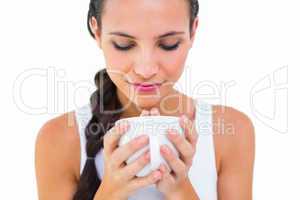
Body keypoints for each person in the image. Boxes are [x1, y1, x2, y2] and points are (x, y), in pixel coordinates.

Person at [35, 0, 255, 199]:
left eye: (168, 44)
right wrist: (110, 192)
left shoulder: (230, 131)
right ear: (97, 31)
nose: (146, 69)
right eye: (124, 44)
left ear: (193, 31)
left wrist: (181, 191)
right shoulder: (59, 139)